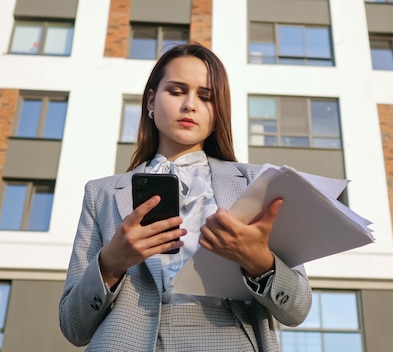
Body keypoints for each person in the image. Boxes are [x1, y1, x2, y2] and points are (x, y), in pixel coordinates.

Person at [59, 43, 312, 352]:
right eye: (177, 91)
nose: (190, 105)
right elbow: (74, 328)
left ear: (218, 112)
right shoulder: (101, 193)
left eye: (206, 97)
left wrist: (260, 262)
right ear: (151, 100)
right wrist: (110, 263)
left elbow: (297, 310)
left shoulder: (257, 182)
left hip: (230, 340)